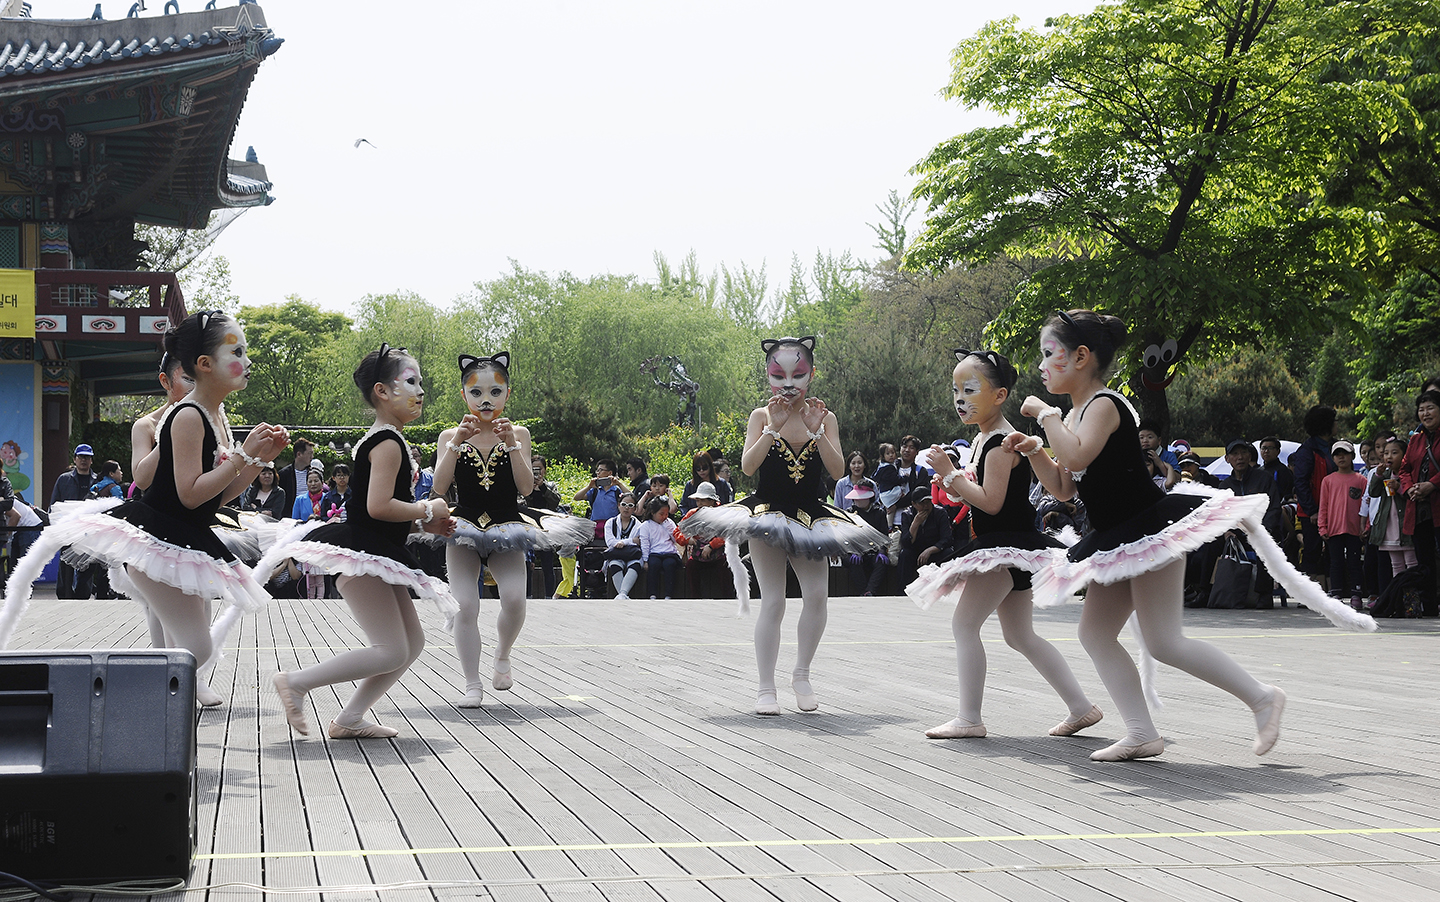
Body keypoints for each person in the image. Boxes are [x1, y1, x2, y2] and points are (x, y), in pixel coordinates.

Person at [1006, 309, 1372, 762]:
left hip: (1149, 532)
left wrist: (1044, 417)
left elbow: (1077, 454)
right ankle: (1141, 732)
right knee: (1096, 634)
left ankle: (1262, 697)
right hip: (1115, 539)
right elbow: (1064, 485)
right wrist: (1037, 451)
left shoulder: (1104, 404)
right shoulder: (1076, 413)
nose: (1041, 366)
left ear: (1081, 357)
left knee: (1164, 642)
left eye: (1048, 354)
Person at [2, 311, 289, 708]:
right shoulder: (187, 415)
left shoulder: (206, 416)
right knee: (194, 649)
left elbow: (216, 498)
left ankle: (153, 717)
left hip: (184, 538)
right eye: (237, 351)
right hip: (157, 538)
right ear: (204, 365)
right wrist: (242, 454)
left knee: (188, 648)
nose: (247, 360)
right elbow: (190, 494)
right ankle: (121, 707)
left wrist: (256, 458)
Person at [679, 336, 886, 714]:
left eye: (797, 374)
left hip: (811, 517)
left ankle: (802, 674)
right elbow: (747, 467)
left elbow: (838, 471)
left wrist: (817, 430)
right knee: (773, 601)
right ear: (769, 375)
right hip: (767, 516)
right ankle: (765, 687)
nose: (788, 383)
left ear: (811, 374)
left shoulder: (825, 416)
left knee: (817, 596)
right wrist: (772, 428)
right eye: (779, 375)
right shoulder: (761, 415)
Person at [260, 344, 457, 738]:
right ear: (382, 391)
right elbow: (380, 506)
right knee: (393, 649)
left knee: (410, 644)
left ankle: (349, 718)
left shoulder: (387, 439)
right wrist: (428, 510)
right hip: (364, 557)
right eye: (411, 382)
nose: (420, 392)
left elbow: (374, 514)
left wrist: (422, 527)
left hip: (374, 551)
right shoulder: (387, 443)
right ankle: (296, 683)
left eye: (421, 383)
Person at [907, 348, 1100, 740]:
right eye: (956, 390)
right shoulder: (985, 440)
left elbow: (992, 503)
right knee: (1019, 635)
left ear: (999, 395)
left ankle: (969, 718)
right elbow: (978, 497)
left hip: (1002, 548)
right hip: (1007, 546)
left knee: (965, 625)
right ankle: (1081, 708)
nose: (960, 399)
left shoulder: (999, 444)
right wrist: (953, 481)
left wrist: (949, 474)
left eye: (970, 389)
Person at [423, 353, 592, 706]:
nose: (486, 400)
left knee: (514, 599)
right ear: (464, 395)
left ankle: (502, 654)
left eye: (495, 392)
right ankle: (472, 683)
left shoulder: (518, 433)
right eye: (478, 392)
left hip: (508, 525)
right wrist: (456, 443)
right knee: (465, 605)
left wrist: (512, 445)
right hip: (463, 526)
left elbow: (527, 488)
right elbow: (439, 487)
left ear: (507, 394)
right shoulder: (449, 435)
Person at [1397, 391, 1440, 615]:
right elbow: (1404, 469)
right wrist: (1409, 487)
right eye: (1422, 409)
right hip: (1419, 509)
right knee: (1424, 561)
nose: (1425, 413)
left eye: (1431, 407)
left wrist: (1432, 484)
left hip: (1437, 504)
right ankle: (1430, 605)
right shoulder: (1416, 439)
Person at [1291, 406, 1338, 582]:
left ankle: (1332, 591)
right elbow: (1301, 482)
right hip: (1312, 511)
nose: (1337, 424)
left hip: (1335, 509)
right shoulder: (1306, 451)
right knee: (1312, 550)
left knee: (1334, 552)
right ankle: (1311, 594)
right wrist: (1312, 510)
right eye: (1334, 421)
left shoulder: (1335, 446)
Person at [1318, 441, 1367, 609]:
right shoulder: (1328, 481)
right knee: (1336, 562)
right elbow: (1323, 505)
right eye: (1337, 454)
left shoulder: (1361, 480)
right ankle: (1336, 593)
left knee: (1354, 562)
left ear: (1352, 456)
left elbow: (1366, 505)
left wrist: (1365, 527)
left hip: (1355, 529)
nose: (1341, 457)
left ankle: (1356, 593)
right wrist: (1322, 527)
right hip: (1334, 529)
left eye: (1345, 453)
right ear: (1332, 458)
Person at [49, 443, 97, 598]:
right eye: (81, 457)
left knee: (88, 565)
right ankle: (64, 596)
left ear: (91, 460)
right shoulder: (64, 479)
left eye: (87, 457)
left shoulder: (98, 481)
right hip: (68, 529)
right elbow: (54, 504)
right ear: (75, 459)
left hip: (89, 531)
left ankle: (83, 596)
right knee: (65, 565)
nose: (84, 460)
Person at [1369, 435, 1414, 594]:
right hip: (1389, 527)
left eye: (1394, 453)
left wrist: (1401, 487)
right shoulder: (1385, 475)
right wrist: (1378, 475)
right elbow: (1373, 492)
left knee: (1411, 563)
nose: (1389, 456)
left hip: (1406, 527)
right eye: (1386, 453)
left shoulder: (1409, 475)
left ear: (1404, 456)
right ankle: (1399, 599)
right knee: (1396, 565)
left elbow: (1412, 495)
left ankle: (1412, 600)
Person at [675, 481, 728, 598]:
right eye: (698, 500)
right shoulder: (692, 514)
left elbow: (727, 533)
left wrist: (711, 546)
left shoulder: (722, 513)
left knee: (726, 566)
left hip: (718, 555)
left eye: (702, 500)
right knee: (690, 566)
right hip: (697, 556)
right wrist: (687, 540)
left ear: (712, 501)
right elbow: (677, 532)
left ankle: (728, 598)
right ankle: (695, 598)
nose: (699, 503)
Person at [524, 454, 565, 599]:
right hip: (528, 527)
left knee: (548, 563)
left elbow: (555, 502)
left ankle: (549, 596)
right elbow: (521, 504)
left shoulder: (550, 486)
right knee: (527, 563)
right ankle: (527, 595)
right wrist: (530, 488)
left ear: (545, 470)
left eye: (539, 469)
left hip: (545, 528)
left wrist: (542, 487)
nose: (537, 472)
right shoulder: (524, 485)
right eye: (533, 469)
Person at [898, 486, 954, 588]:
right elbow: (906, 543)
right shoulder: (907, 514)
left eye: (928, 502)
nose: (926, 506)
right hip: (916, 551)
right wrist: (915, 525)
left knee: (948, 552)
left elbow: (947, 538)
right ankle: (902, 589)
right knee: (905, 554)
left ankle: (946, 587)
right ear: (914, 504)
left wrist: (931, 550)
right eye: (922, 503)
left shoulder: (940, 512)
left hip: (935, 550)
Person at [841, 485, 890, 595]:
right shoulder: (849, 512)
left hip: (874, 550)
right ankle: (863, 591)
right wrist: (854, 551)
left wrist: (882, 551)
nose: (857, 501)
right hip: (854, 551)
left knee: (882, 562)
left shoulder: (879, 513)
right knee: (853, 562)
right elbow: (846, 537)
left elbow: (884, 536)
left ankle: (870, 591)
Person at [637, 496, 683, 599]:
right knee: (654, 565)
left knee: (669, 565)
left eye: (666, 514)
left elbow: (676, 539)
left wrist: (670, 529)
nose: (664, 516)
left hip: (670, 553)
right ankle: (652, 594)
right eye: (661, 514)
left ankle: (668, 595)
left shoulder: (669, 522)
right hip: (655, 553)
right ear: (653, 513)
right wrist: (645, 560)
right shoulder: (646, 525)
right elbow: (645, 543)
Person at [603, 492, 644, 599]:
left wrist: (623, 542)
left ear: (635, 509)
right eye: (624, 504)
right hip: (616, 554)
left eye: (630, 506)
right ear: (618, 505)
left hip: (632, 555)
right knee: (615, 564)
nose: (626, 508)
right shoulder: (610, 523)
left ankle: (622, 595)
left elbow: (639, 542)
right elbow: (610, 542)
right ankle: (623, 595)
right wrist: (631, 541)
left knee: (634, 565)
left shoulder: (639, 525)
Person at [575, 459, 623, 539]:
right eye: (597, 470)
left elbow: (632, 497)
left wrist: (619, 484)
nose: (598, 473)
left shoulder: (617, 491)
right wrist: (589, 486)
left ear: (610, 473)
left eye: (601, 470)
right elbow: (577, 497)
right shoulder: (595, 490)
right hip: (595, 528)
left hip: (612, 528)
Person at [277, 439, 315, 519]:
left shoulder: (313, 473)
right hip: (290, 516)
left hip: (311, 513)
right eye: (309, 453)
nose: (312, 457)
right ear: (299, 454)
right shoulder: (284, 474)